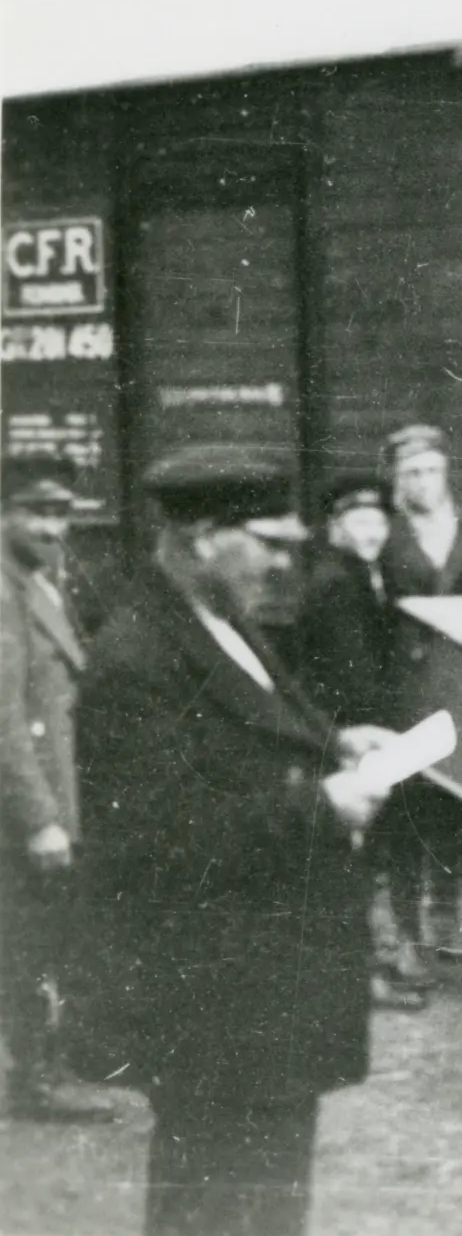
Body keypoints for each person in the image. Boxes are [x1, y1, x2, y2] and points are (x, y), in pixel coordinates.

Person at [76, 443, 394, 1236]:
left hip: (262, 993)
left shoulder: (221, 621)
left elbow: (255, 741)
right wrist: (322, 806)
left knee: (266, 1199)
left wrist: (336, 742)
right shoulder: (134, 658)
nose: (284, 564)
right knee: (212, 1207)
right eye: (270, 542)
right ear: (201, 536)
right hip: (213, 1001)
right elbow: (158, 836)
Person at [0, 455, 115, 1123]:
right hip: (22, 809)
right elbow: (4, 716)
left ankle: (51, 1064)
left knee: (50, 932)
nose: (50, 525)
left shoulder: (44, 579)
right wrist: (41, 817)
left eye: (60, 512)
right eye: (36, 511)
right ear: (6, 513)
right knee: (30, 940)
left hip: (56, 791)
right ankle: (35, 1079)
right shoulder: (6, 590)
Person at [294, 472, 428, 1013]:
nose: (371, 531)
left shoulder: (369, 576)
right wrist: (383, 732)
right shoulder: (336, 583)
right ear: (335, 528)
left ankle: (386, 960)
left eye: (378, 521)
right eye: (358, 521)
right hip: (350, 731)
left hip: (368, 729)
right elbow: (354, 678)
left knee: (375, 849)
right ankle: (366, 972)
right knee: (357, 854)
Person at [380, 423, 462, 970]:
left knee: (454, 809)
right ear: (396, 478)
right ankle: (406, 936)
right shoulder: (384, 533)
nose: (424, 483)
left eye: (432, 471)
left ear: (446, 472)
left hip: (457, 690)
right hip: (404, 692)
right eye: (412, 473)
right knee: (407, 811)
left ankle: (448, 927)